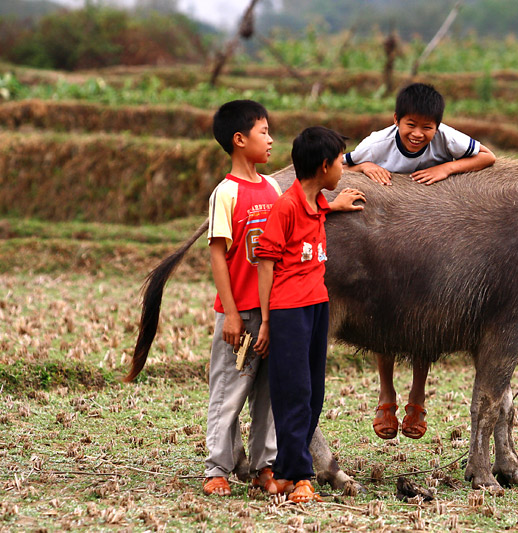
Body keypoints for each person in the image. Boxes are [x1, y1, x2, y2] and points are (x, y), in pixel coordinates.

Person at [203, 102, 363, 497]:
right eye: (263, 132)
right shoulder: (226, 193)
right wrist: (234, 315)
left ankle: (263, 467)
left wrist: (331, 204)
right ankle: (217, 468)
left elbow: (300, 215)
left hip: (275, 308)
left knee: (270, 396)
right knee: (230, 389)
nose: (271, 138)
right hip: (242, 311)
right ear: (240, 140)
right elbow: (218, 257)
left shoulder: (272, 188)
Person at [343, 82, 497, 441]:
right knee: (382, 314)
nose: (418, 134)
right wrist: (366, 167)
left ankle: (417, 394)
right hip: (385, 236)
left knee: (425, 315)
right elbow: (340, 163)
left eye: (427, 127)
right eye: (410, 125)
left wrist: (447, 169)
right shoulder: (377, 143)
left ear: (438, 127)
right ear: (396, 120)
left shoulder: (447, 139)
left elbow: (488, 157)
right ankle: (386, 395)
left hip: (432, 234)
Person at [256, 126, 353, 503]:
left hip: (317, 305)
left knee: (313, 392)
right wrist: (266, 321)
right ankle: (300, 477)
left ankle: (283, 472)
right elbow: (266, 263)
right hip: (289, 310)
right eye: (341, 160)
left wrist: (335, 205)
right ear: (325, 166)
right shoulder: (287, 206)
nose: (344, 167)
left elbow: (317, 213)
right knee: (293, 392)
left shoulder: (315, 204)